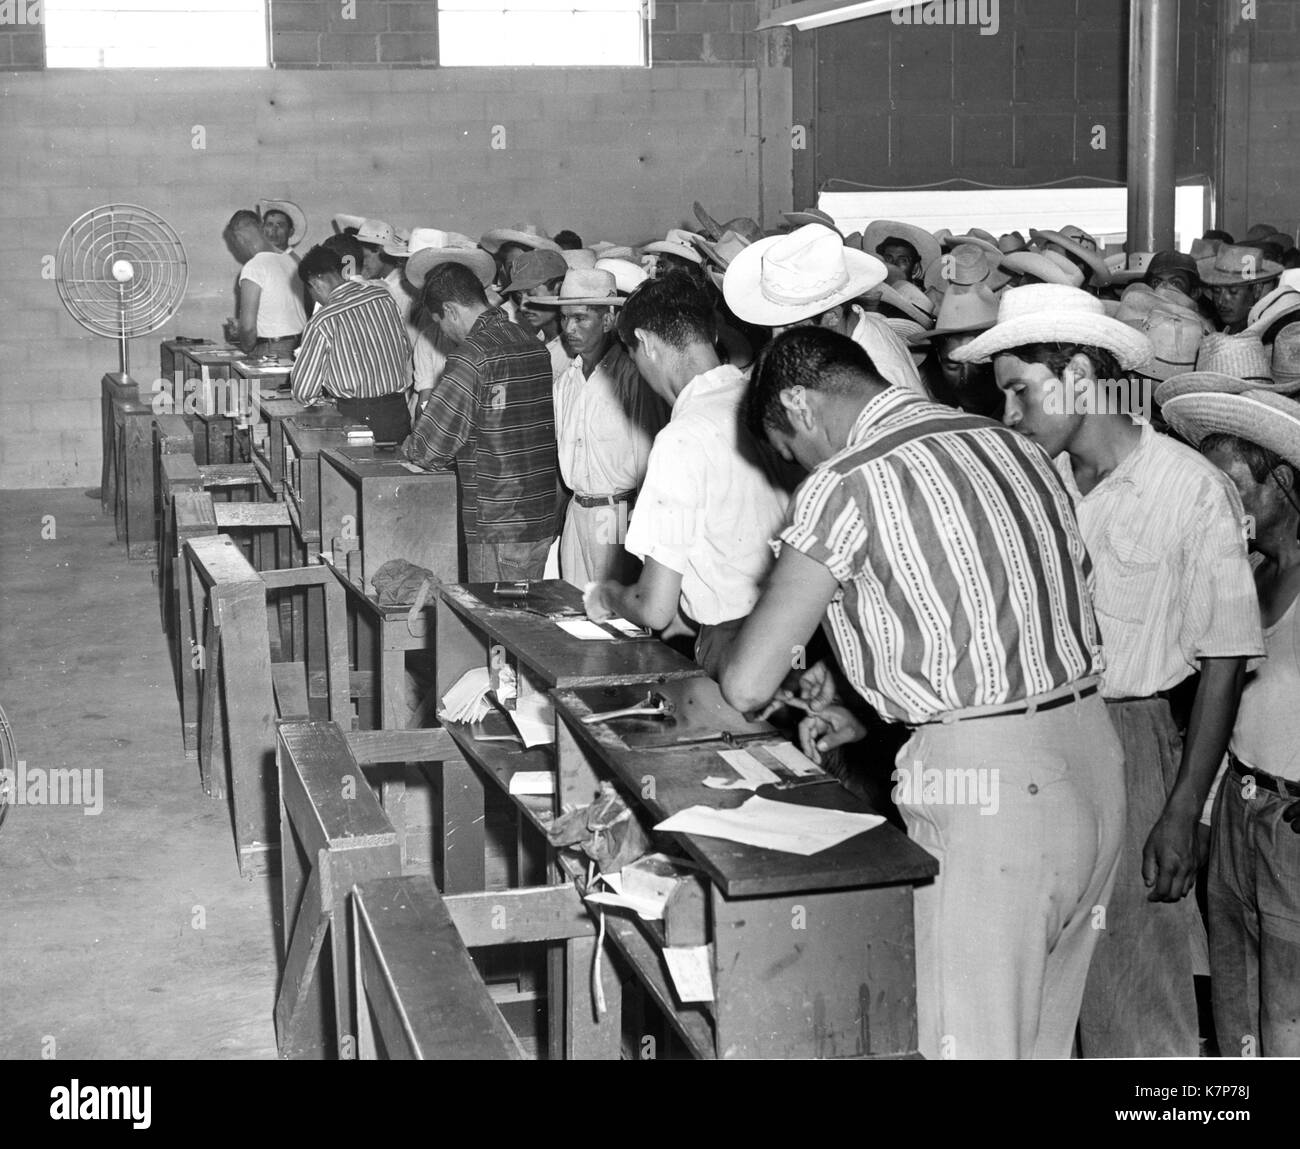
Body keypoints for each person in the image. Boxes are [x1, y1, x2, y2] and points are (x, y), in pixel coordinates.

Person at [718, 325, 1124, 1060]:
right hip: (1093, 759)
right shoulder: (1013, 446)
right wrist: (868, 703)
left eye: (789, 452)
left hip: (993, 795)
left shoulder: (846, 481)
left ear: (802, 406)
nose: (798, 469)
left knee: (962, 1044)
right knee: (1042, 1042)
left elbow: (747, 682)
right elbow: (1011, 611)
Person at [952, 284, 1263, 1058]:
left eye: (1022, 392)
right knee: (1043, 982)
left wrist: (1182, 808)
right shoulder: (1037, 483)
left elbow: (1223, 662)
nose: (1011, 415)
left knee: (1135, 990)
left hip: (1133, 745)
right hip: (1031, 741)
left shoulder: (1190, 489)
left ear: (1083, 381)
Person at [1158, 383, 1300, 1057]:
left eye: (1235, 488)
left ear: (1283, 479)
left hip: (1292, 821)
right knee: (1235, 999)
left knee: (1290, 1013)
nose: (1222, 507)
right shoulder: (1243, 569)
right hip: (1240, 809)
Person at [583, 273, 790, 676]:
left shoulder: (681, 438)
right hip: (801, 631)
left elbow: (655, 609)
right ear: (711, 333)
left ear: (646, 343)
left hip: (736, 645)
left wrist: (606, 594)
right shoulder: (768, 399)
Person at [402, 261, 557, 582]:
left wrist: (409, 445)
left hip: (497, 522)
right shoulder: (531, 343)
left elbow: (430, 449)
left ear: (451, 310)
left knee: (492, 624)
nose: (444, 333)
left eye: (440, 322)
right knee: (525, 623)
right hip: (540, 515)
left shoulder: (471, 356)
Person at [535, 268, 667, 586]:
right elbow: (560, 457)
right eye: (565, 318)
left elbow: (655, 458)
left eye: (581, 318)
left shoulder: (633, 377)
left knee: (615, 616)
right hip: (577, 510)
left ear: (608, 320)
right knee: (574, 610)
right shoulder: (566, 381)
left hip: (616, 512)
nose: (569, 328)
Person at [290, 245, 412, 444]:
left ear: (315, 283)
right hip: (397, 411)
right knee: (393, 472)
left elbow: (304, 391)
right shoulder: (383, 297)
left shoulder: (323, 320)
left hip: (357, 419)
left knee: (361, 473)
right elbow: (405, 350)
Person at [223, 209, 307, 356]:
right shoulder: (291, 260)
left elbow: (249, 329)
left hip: (272, 350)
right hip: (299, 346)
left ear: (239, 239)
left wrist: (246, 347)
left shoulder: (254, 266)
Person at [1199, 244, 1283, 333]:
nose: (1221, 301)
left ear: (1256, 290)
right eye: (1216, 291)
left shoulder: (1265, 334)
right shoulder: (1226, 329)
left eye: (1233, 292)